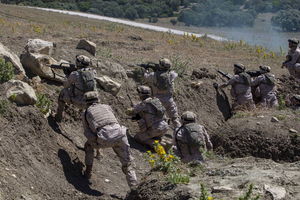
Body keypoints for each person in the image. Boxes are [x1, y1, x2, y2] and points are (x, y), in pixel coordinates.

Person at [82, 91, 137, 188]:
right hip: (120, 134)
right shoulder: (107, 107)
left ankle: (88, 172)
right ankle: (134, 187)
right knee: (128, 163)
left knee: (88, 146)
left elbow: (87, 132)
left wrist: (94, 141)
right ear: (98, 99)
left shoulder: (86, 112)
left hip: (105, 138)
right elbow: (115, 120)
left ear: (86, 102)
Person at [55, 55, 97, 122]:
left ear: (78, 63)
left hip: (79, 102)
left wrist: (67, 75)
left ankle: (58, 117)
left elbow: (65, 85)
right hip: (91, 102)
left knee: (62, 93)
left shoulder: (75, 74)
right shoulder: (93, 72)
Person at [144, 58, 181, 129]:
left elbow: (145, 77)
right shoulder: (171, 75)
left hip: (157, 101)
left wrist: (146, 70)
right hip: (169, 100)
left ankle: (159, 132)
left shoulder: (153, 75)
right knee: (175, 118)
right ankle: (179, 133)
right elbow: (175, 74)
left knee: (157, 117)